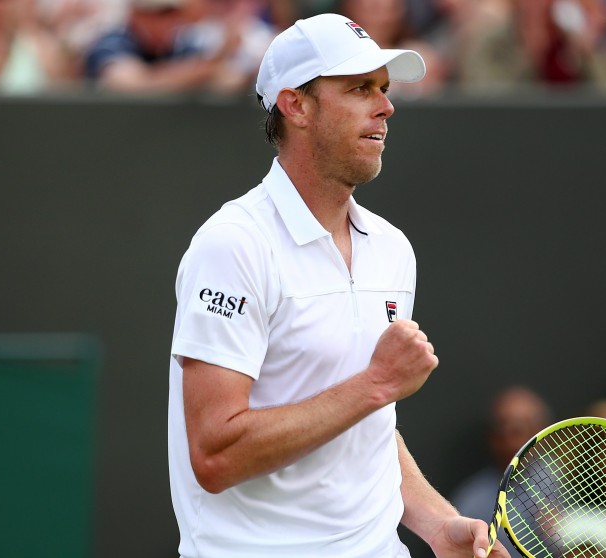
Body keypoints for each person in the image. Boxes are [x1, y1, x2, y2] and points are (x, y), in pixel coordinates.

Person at [167, 13, 509, 557]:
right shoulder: (232, 245)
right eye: (359, 88)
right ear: (295, 105)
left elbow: (363, 431)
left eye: (384, 89)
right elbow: (215, 455)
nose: (386, 106)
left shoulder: (392, 248)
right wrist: (375, 383)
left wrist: (438, 524)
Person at [451, 386, 553, 558]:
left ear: (542, 431)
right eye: (503, 429)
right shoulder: (470, 501)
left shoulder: (571, 483)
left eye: (521, 429)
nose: (512, 441)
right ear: (492, 438)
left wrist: (567, 532)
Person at [83, 0, 224, 92]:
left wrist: (223, 59)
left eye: (172, 13)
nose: (167, 21)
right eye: (158, 14)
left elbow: (226, 81)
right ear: (134, 14)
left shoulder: (183, 46)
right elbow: (129, 85)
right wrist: (200, 72)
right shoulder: (112, 43)